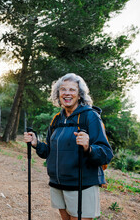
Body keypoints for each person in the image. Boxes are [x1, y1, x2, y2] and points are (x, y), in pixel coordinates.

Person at [24, 73, 113, 220]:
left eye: (72, 90)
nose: (67, 93)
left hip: (82, 185)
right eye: (63, 89)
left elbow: (106, 153)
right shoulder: (57, 119)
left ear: (80, 95)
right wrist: (36, 144)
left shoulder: (90, 116)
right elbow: (49, 151)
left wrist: (88, 147)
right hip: (57, 184)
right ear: (58, 94)